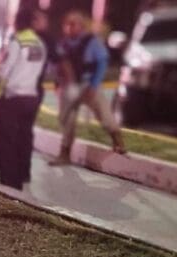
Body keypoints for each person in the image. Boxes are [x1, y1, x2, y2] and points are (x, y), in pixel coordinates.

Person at [51, 10, 125, 166]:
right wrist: (58, 84)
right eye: (67, 24)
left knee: (104, 115)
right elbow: (57, 66)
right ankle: (64, 154)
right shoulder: (63, 44)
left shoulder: (92, 42)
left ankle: (117, 140)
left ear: (81, 26)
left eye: (73, 24)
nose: (70, 27)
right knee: (67, 121)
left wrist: (94, 84)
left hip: (88, 84)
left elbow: (102, 62)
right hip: (69, 87)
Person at [0, 8, 51, 190]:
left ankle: (10, 183)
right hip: (31, 97)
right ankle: (23, 173)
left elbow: (4, 71)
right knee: (24, 137)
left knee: (6, 141)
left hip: (12, 98)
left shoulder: (16, 42)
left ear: (17, 23)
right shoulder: (40, 43)